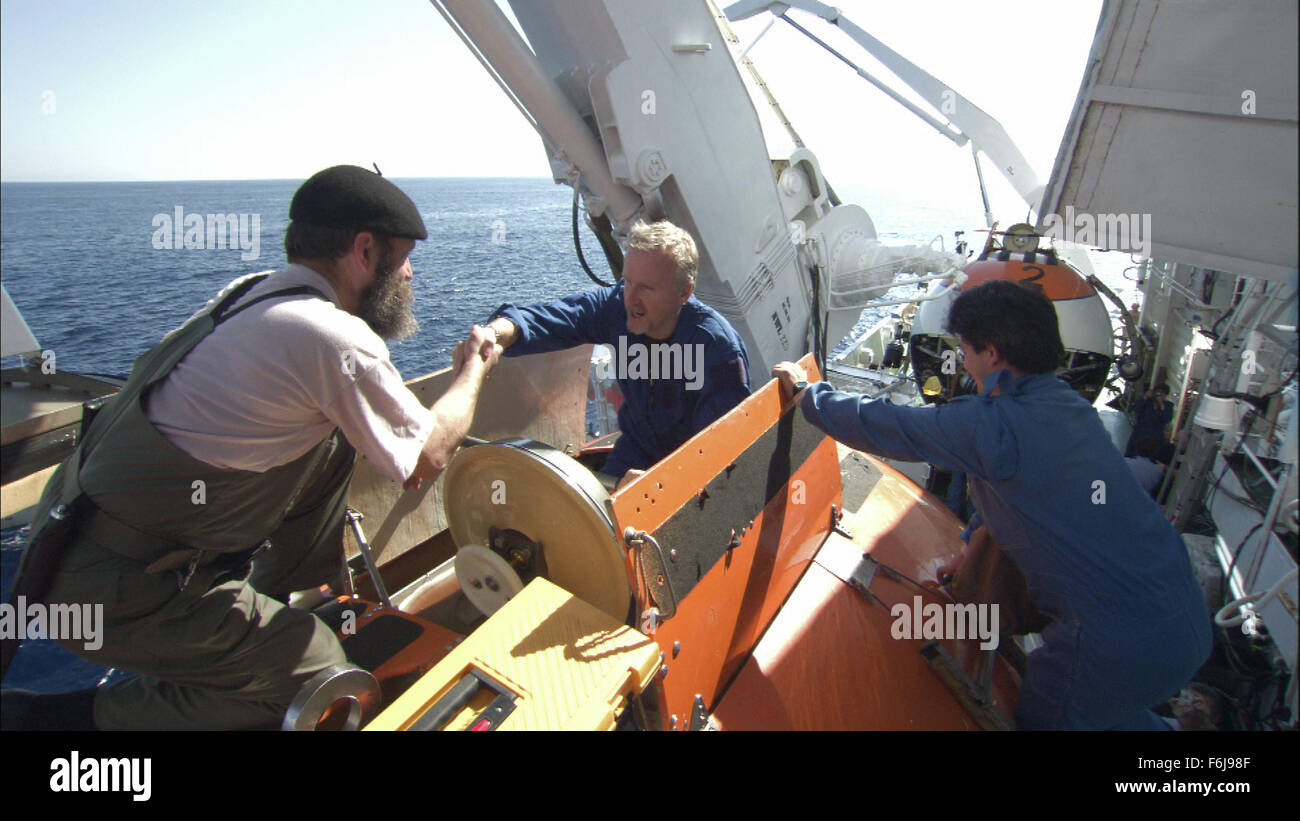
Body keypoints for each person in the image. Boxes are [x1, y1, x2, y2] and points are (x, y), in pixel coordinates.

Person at [2, 165, 502, 730]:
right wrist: (473, 370)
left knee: (338, 435)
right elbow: (425, 459)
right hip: (116, 585)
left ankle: (263, 614)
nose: (410, 274)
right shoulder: (328, 336)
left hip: (78, 544)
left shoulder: (254, 294)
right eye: (404, 256)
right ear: (364, 250)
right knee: (318, 683)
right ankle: (57, 721)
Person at [772, 280, 1211, 730]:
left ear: (993, 354)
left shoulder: (991, 425)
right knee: (1105, 710)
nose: (962, 361)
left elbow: (887, 425)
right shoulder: (1066, 405)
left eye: (964, 350)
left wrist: (809, 394)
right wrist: (971, 545)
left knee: (1048, 715)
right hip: (1185, 619)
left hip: (1116, 643)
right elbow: (1026, 493)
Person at [481, 220, 750, 488]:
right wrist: (495, 335)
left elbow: (720, 458)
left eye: (646, 288)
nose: (630, 298)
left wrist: (661, 485)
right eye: (628, 281)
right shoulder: (616, 308)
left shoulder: (716, 350)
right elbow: (555, 317)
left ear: (684, 293)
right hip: (633, 453)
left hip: (688, 476)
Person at [1125, 382, 1174, 457]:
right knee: (1132, 452)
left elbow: (1167, 418)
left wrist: (1161, 404)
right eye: (1158, 392)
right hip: (1140, 432)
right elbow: (1137, 410)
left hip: (1155, 435)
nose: (1159, 395)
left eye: (1162, 393)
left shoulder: (1168, 405)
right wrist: (1145, 397)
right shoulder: (1146, 402)